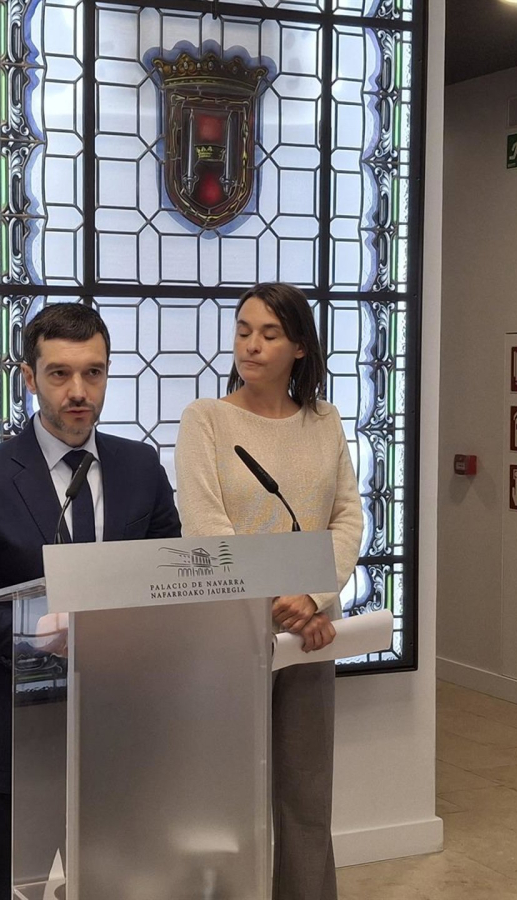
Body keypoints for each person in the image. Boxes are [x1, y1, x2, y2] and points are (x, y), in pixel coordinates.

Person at [0, 302, 182, 900]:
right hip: (18, 733)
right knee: (14, 884)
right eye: (60, 373)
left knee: (122, 885)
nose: (79, 391)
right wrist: (27, 632)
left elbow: (166, 578)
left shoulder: (140, 466)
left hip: (123, 727)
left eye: (94, 372)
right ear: (30, 377)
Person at [174, 283, 362, 900]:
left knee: (307, 799)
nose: (250, 345)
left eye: (269, 334)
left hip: (310, 633)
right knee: (227, 801)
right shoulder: (206, 419)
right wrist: (276, 601)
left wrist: (313, 598)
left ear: (299, 346)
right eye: (243, 331)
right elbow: (205, 525)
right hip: (230, 632)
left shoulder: (325, 422)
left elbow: (347, 517)